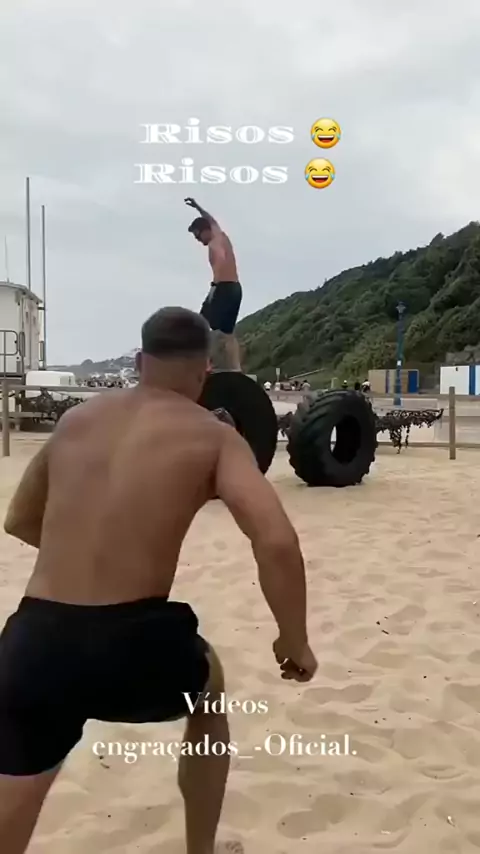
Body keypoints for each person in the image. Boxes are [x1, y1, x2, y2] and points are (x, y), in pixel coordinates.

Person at [0, 306, 317, 854]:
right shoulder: (214, 436)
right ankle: (200, 849)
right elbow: (276, 542)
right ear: (205, 371)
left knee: (16, 795)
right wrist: (294, 640)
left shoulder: (75, 420)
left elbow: (20, 520)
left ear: (140, 361)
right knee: (209, 691)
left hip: (34, 640)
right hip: (133, 642)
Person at [185, 198, 242, 372]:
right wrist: (197, 207)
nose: (197, 239)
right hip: (236, 289)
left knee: (201, 325)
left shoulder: (215, 242)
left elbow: (219, 265)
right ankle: (236, 370)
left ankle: (207, 365)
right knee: (228, 333)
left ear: (206, 230)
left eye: (198, 235)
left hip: (223, 288)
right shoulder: (221, 236)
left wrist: (213, 290)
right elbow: (211, 219)